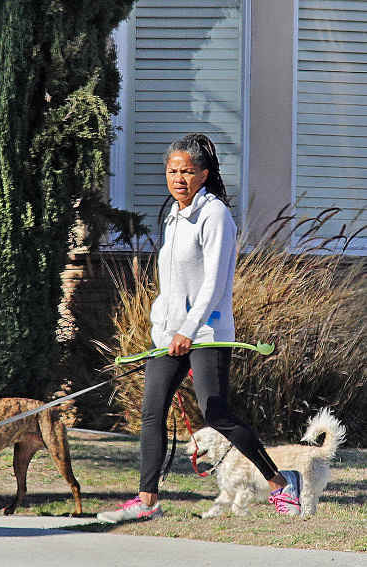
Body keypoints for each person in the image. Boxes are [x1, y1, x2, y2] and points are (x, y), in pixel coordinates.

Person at [97, 133, 302, 524]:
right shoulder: (173, 216)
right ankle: (147, 500)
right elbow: (171, 283)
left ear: (203, 175)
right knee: (152, 412)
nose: (178, 178)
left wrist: (189, 329)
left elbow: (213, 282)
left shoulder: (215, 215)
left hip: (207, 332)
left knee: (216, 412)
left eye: (187, 171)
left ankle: (281, 481)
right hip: (170, 336)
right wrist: (163, 327)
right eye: (172, 171)